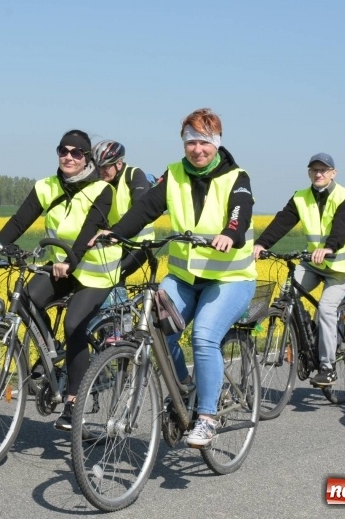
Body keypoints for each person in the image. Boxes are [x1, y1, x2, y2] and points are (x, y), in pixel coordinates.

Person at [93, 108, 257, 447]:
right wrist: (116, 232)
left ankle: (207, 418)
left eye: (204, 143)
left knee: (204, 337)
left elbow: (240, 213)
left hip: (230, 278)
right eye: (190, 142)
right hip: (184, 278)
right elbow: (146, 209)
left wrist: (230, 233)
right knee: (156, 331)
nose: (197, 149)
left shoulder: (236, 177)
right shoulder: (174, 175)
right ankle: (185, 388)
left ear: (217, 143)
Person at [0, 129, 121, 431]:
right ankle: (51, 349)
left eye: (76, 152)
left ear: (87, 158)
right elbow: (20, 220)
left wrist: (71, 260)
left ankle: (73, 403)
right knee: (27, 298)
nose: (68, 157)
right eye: (63, 151)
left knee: (74, 324)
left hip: (96, 270)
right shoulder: (46, 187)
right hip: (62, 266)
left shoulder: (101, 190)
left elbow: (89, 229)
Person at [253, 153, 345, 387]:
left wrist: (329, 247)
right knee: (286, 295)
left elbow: (341, 227)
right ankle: (308, 334)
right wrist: (262, 244)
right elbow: (283, 221)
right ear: (309, 173)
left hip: (340, 266)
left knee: (326, 308)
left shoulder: (344, 196)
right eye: (314, 170)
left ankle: (328, 367)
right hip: (314, 263)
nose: (318, 174)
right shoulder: (301, 197)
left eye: (324, 170)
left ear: (333, 173)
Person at [92, 139, 155, 280]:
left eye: (105, 167)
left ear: (119, 163)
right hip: (112, 242)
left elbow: (140, 208)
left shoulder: (134, 175)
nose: (101, 171)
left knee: (115, 276)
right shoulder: (99, 182)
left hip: (138, 244)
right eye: (98, 167)